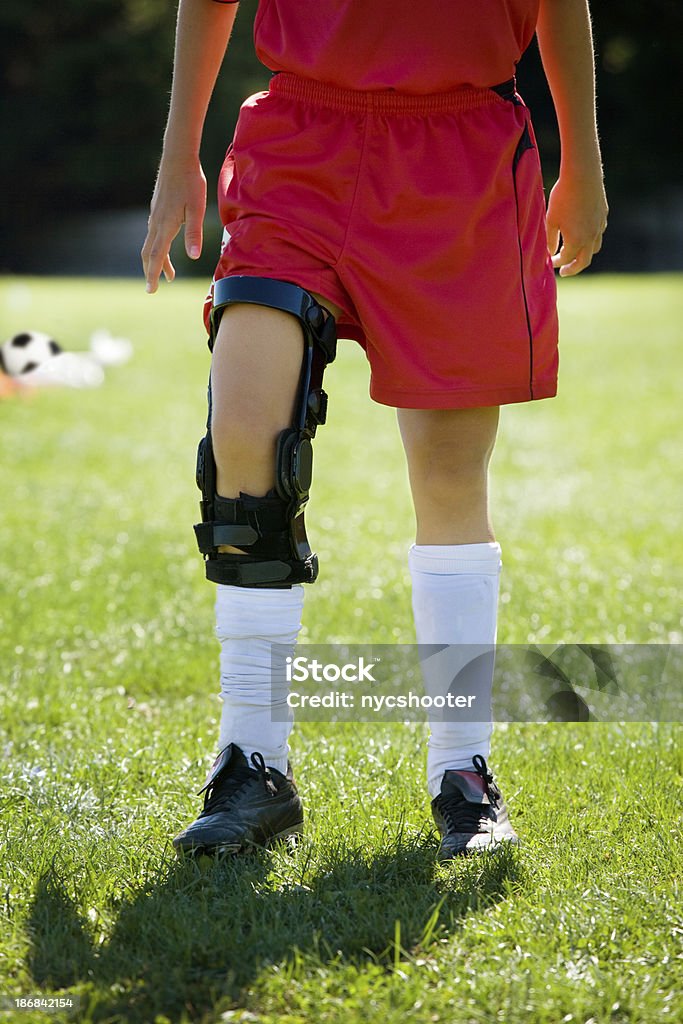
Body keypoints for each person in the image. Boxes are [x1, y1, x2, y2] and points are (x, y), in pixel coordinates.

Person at [142, 0, 607, 861]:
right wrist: (179, 160)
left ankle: (460, 769)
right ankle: (251, 762)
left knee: (447, 475)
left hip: (459, 154)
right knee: (243, 440)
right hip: (300, 144)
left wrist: (581, 163)